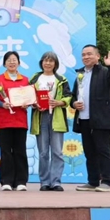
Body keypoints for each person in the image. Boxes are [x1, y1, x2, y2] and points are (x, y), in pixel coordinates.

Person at [71, 45, 110, 192]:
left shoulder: (104, 72)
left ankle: (107, 182)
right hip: (84, 118)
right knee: (89, 152)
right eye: (83, 55)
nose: (86, 57)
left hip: (101, 119)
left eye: (89, 54)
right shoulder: (80, 74)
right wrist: (74, 103)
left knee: (103, 150)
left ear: (97, 56)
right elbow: (73, 95)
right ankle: (92, 181)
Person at [29, 51, 71, 192]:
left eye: (51, 61)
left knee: (57, 152)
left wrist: (59, 102)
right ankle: (44, 182)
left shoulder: (61, 79)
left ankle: (56, 182)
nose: (48, 63)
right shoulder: (35, 78)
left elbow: (68, 96)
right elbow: (28, 96)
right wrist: (34, 104)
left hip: (57, 117)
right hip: (40, 117)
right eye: (45, 60)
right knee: (43, 153)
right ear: (41, 63)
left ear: (55, 63)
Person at [0, 51, 31, 191]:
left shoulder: (25, 80)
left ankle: (21, 181)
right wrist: (2, 104)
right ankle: (6, 181)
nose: (12, 62)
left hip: (20, 120)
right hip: (4, 120)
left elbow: (30, 98)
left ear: (19, 63)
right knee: (6, 152)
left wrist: (27, 104)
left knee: (20, 151)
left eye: (14, 60)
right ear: (4, 64)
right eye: (9, 60)